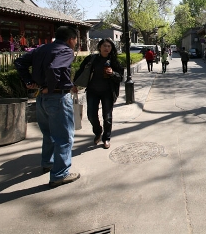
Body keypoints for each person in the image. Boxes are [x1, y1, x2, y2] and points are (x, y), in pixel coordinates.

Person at [14, 26, 81, 188]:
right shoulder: (65, 51)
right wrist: (50, 88)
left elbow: (19, 62)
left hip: (42, 99)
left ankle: (48, 163)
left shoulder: (42, 49)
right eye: (76, 40)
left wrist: (29, 81)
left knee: (49, 134)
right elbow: (54, 68)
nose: (76, 43)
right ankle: (59, 174)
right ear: (71, 39)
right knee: (64, 137)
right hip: (57, 98)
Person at [73, 38, 124, 149]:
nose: (107, 48)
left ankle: (106, 138)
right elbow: (81, 71)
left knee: (107, 117)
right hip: (92, 91)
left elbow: (120, 77)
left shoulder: (114, 61)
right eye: (104, 46)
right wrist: (74, 84)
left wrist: (113, 73)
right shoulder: (92, 59)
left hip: (108, 92)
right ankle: (98, 131)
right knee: (91, 115)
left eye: (109, 46)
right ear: (99, 47)